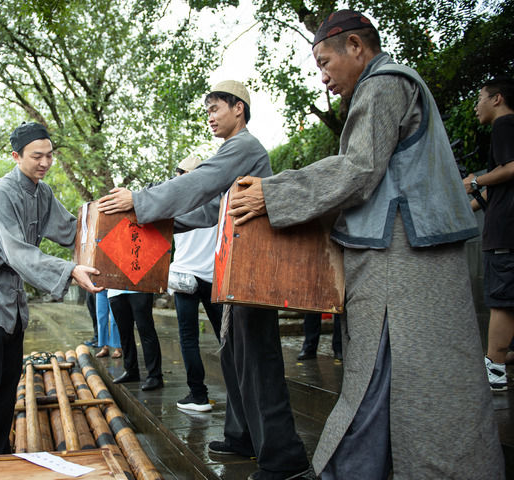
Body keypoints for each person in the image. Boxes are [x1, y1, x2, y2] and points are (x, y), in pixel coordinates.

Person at [227, 10, 504, 479]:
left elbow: (356, 169)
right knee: (406, 378)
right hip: (413, 262)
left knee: (378, 374)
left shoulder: (383, 84)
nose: (323, 76)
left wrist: (273, 192)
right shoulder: (394, 85)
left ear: (356, 46)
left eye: (324, 61)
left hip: (402, 262)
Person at [99, 81, 312, 480]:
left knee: (258, 359)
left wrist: (141, 201)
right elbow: (208, 209)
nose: (210, 117)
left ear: (239, 109)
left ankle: (285, 458)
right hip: (236, 270)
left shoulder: (244, 148)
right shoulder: (232, 152)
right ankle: (242, 436)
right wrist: (151, 222)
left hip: (255, 270)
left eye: (215, 109)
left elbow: (197, 184)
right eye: (208, 111)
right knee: (235, 356)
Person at [0, 122, 102, 460]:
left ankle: (0, 456)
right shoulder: (0, 193)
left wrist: (107, 227)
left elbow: (71, 231)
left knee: (6, 392)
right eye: (37, 156)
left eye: (49, 155)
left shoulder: (42, 193)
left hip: (13, 307)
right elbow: (17, 252)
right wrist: (70, 270)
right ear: (16, 156)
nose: (45, 162)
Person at [463, 77, 514, 392]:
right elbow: (498, 189)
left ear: (497, 99)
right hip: (504, 224)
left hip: (505, 233)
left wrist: (477, 180)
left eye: (480, 98)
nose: (476, 106)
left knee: (502, 300)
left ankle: (494, 368)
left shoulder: (505, 125)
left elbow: (511, 168)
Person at [168, 155, 222, 412]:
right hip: (212, 277)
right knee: (227, 338)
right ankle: (240, 390)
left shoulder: (176, 204)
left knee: (189, 339)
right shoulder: (216, 202)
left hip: (183, 278)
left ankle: (198, 395)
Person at [107, 290, 163, 390]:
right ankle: (131, 371)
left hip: (139, 287)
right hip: (115, 290)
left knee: (146, 330)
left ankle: (155, 376)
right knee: (124, 332)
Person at [94, 290, 122, 358]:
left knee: (114, 319)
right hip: (100, 288)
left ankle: (117, 348)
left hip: (113, 288)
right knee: (101, 318)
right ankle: (104, 347)